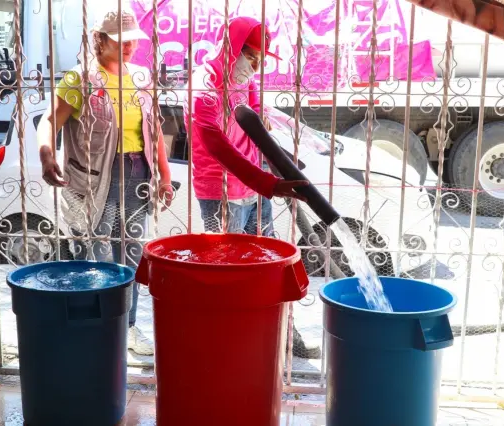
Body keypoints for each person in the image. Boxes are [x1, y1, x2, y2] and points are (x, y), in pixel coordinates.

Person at [37, 9, 172, 356]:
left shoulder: (140, 78)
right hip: (97, 177)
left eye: (133, 41)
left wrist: (164, 175)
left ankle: (127, 326)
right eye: (121, 41)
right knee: (97, 256)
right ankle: (99, 329)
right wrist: (46, 153)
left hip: (137, 175)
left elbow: (154, 132)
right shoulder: (80, 79)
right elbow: (49, 120)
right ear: (101, 39)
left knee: (131, 254)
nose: (129, 47)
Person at [185, 16, 320, 359]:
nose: (256, 68)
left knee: (270, 263)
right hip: (221, 193)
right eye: (253, 59)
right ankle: (225, 340)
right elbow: (216, 145)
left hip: (257, 190)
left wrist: (282, 160)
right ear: (233, 49)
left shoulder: (245, 82)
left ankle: (282, 335)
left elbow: (258, 125)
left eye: (261, 62)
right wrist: (268, 182)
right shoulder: (205, 85)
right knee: (225, 271)